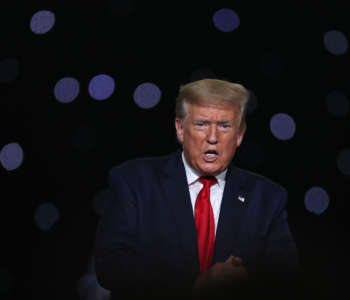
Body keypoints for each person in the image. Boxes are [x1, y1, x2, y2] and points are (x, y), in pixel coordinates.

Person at [94, 78, 300, 300]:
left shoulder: (268, 197)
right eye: (201, 124)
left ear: (239, 134)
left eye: (224, 126)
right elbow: (111, 267)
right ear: (180, 129)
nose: (212, 138)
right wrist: (196, 284)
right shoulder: (134, 181)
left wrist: (244, 280)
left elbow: (285, 277)